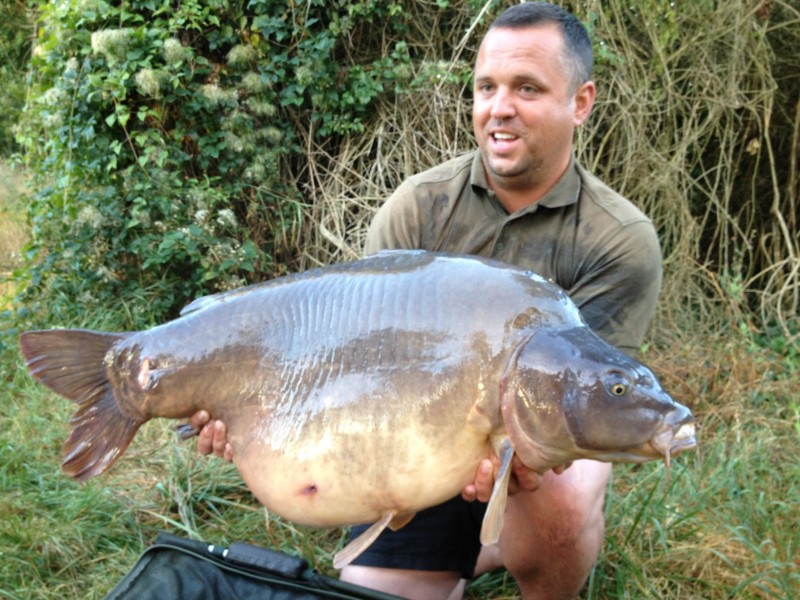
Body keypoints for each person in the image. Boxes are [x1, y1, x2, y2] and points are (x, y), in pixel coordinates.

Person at [190, 2, 663, 598]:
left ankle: (532, 570)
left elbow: (595, 393)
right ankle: (462, 553)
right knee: (376, 591)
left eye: (528, 88)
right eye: (486, 87)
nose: (500, 108)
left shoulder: (617, 238)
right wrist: (244, 408)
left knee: (563, 498)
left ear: (581, 102)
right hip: (411, 444)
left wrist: (518, 462)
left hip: (539, 450)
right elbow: (344, 363)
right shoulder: (417, 208)